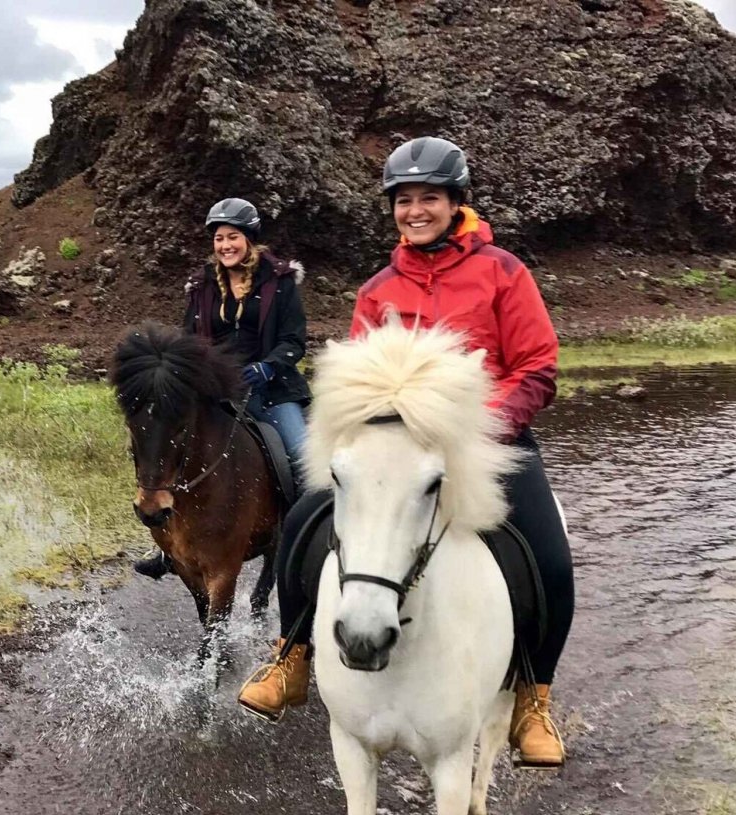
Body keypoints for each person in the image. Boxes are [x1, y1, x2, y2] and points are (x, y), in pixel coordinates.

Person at [236, 137, 574, 769]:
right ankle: (292, 657)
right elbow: (363, 374)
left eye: (430, 198)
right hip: (395, 446)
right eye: (404, 200)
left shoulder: (504, 272)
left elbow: (537, 367)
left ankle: (533, 697)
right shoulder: (378, 289)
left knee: (549, 561)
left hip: (486, 441)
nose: (416, 210)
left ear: (455, 203)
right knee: (305, 523)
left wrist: (486, 425)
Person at [133, 197, 311, 580]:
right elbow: (186, 340)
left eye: (233, 237)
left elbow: (295, 340)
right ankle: (166, 544)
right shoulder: (201, 285)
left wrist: (268, 366)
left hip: (271, 389)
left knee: (303, 460)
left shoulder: (280, 281)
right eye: (218, 238)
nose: (225, 245)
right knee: (164, 445)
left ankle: (306, 534)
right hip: (215, 391)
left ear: (249, 239)